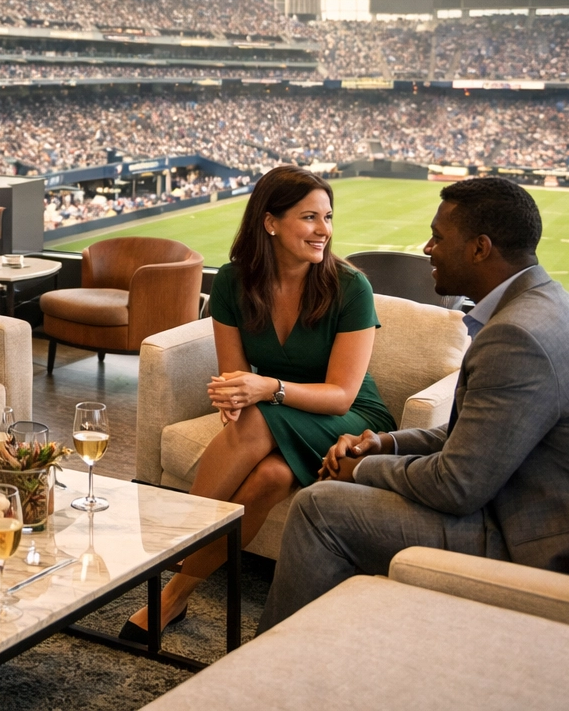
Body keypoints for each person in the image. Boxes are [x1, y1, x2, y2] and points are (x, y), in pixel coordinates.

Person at [256, 176, 569, 630]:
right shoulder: (550, 304)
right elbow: (469, 436)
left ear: (480, 248)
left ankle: (261, 680)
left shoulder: (519, 335)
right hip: (547, 514)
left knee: (320, 508)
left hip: (549, 542)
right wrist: (384, 445)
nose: (428, 249)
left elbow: (457, 486)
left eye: (438, 237)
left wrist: (361, 469)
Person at [121, 165, 391, 641]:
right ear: (270, 222)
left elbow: (342, 395)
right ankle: (176, 595)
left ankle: (172, 544)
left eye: (328, 217)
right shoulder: (232, 282)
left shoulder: (351, 288)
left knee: (261, 420)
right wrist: (232, 397)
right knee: (272, 475)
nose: (324, 230)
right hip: (279, 415)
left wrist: (265, 390)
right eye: (310, 218)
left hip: (348, 418)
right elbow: (235, 374)